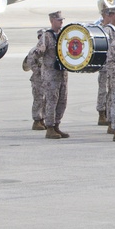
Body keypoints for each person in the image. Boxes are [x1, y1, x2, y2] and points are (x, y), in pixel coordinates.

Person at [32, 11, 69, 139]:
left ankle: (57, 125)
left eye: (61, 19)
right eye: (58, 20)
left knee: (62, 101)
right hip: (50, 75)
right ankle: (50, 127)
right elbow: (39, 50)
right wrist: (39, 53)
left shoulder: (64, 35)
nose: (61, 22)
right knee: (51, 101)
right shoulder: (47, 36)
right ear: (52, 21)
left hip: (62, 74)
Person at [96, 5, 115, 126]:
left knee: (112, 91)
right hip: (106, 66)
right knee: (104, 90)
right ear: (112, 16)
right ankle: (102, 113)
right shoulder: (107, 30)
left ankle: (109, 114)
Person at [26, 28, 46, 131]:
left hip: (46, 78)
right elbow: (31, 64)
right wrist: (40, 71)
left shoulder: (47, 50)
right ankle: (37, 120)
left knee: (45, 100)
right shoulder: (34, 50)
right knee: (38, 100)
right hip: (38, 78)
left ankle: (43, 119)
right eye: (41, 37)